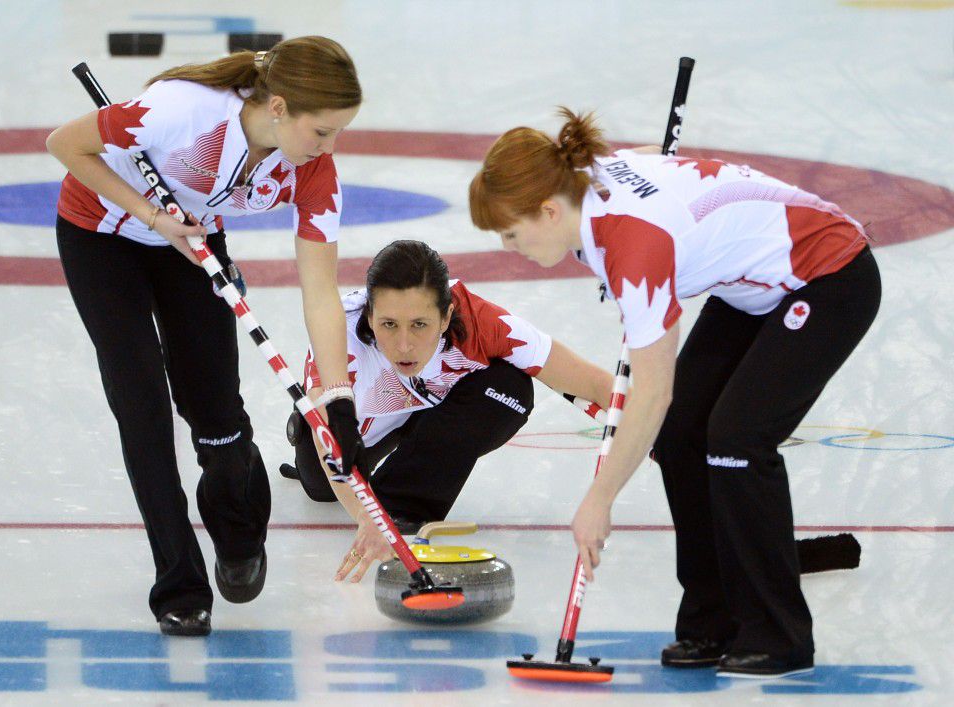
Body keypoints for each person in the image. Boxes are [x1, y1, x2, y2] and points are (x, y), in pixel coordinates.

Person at [468, 108, 881, 678]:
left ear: (549, 209)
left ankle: (778, 634)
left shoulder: (634, 249)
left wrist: (599, 500)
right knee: (684, 432)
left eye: (512, 232)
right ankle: (715, 620)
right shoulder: (583, 175)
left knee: (736, 439)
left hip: (829, 275)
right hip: (755, 289)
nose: (510, 246)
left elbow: (652, 393)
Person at [45, 36, 365, 636]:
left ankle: (239, 532)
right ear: (279, 108)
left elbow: (320, 290)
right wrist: (152, 217)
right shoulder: (181, 111)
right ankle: (179, 583)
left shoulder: (312, 171)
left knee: (217, 413)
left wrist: (336, 395)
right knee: (141, 407)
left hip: (190, 244)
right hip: (103, 237)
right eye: (321, 131)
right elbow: (64, 144)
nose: (329, 147)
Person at [279, 239, 614, 582]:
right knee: (321, 488)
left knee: (509, 386)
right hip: (354, 428)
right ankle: (307, 424)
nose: (404, 344)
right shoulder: (339, 341)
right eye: (389, 324)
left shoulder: (480, 320)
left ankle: (401, 504)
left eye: (420, 324)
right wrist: (366, 517)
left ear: (446, 316)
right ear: (369, 315)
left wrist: (653, 429)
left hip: (426, 412)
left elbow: (596, 384)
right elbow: (329, 446)